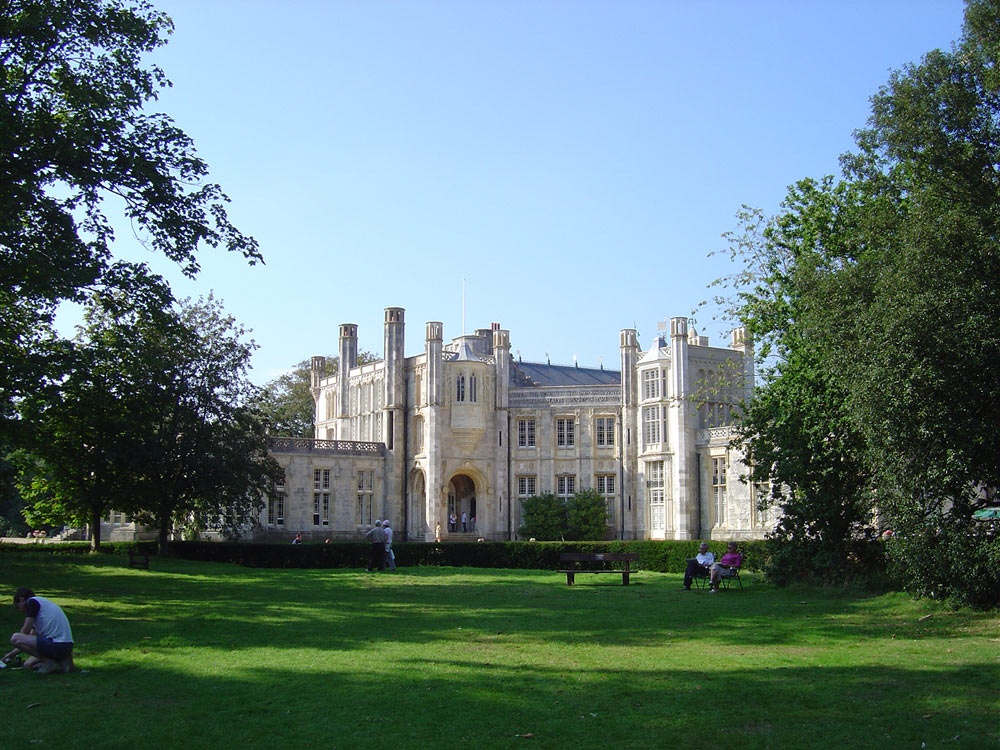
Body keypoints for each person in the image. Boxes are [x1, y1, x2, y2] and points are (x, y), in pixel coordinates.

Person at [3, 587, 75, 674]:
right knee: (28, 664)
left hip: (55, 644)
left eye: (17, 605)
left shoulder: (32, 602)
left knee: (15, 637)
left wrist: (12, 653)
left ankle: (49, 662)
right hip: (66, 645)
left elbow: (24, 632)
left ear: (21, 598)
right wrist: (11, 654)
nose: (19, 610)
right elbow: (28, 639)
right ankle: (58, 662)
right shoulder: (42, 607)